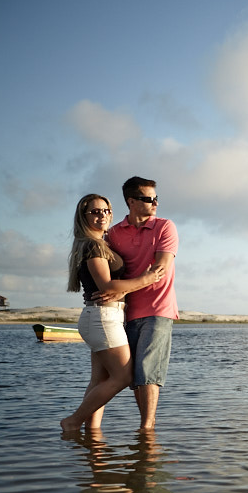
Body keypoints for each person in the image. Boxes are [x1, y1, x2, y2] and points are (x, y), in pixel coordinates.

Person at [60, 194, 164, 433]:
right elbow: (106, 286)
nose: (102, 215)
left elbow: (110, 288)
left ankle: (92, 435)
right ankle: (73, 421)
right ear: (83, 216)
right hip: (103, 318)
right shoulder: (92, 245)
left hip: (102, 317)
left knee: (99, 380)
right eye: (95, 212)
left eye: (106, 211)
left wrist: (120, 292)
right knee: (123, 376)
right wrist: (146, 279)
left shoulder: (99, 243)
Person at [102, 176, 179, 430]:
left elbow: (160, 270)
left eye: (156, 198)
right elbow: (107, 270)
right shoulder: (113, 234)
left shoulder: (165, 227)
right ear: (131, 202)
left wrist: (120, 289)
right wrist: (111, 292)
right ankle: (146, 427)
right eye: (148, 198)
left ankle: (146, 430)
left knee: (147, 370)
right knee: (134, 375)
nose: (155, 202)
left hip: (159, 308)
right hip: (127, 311)